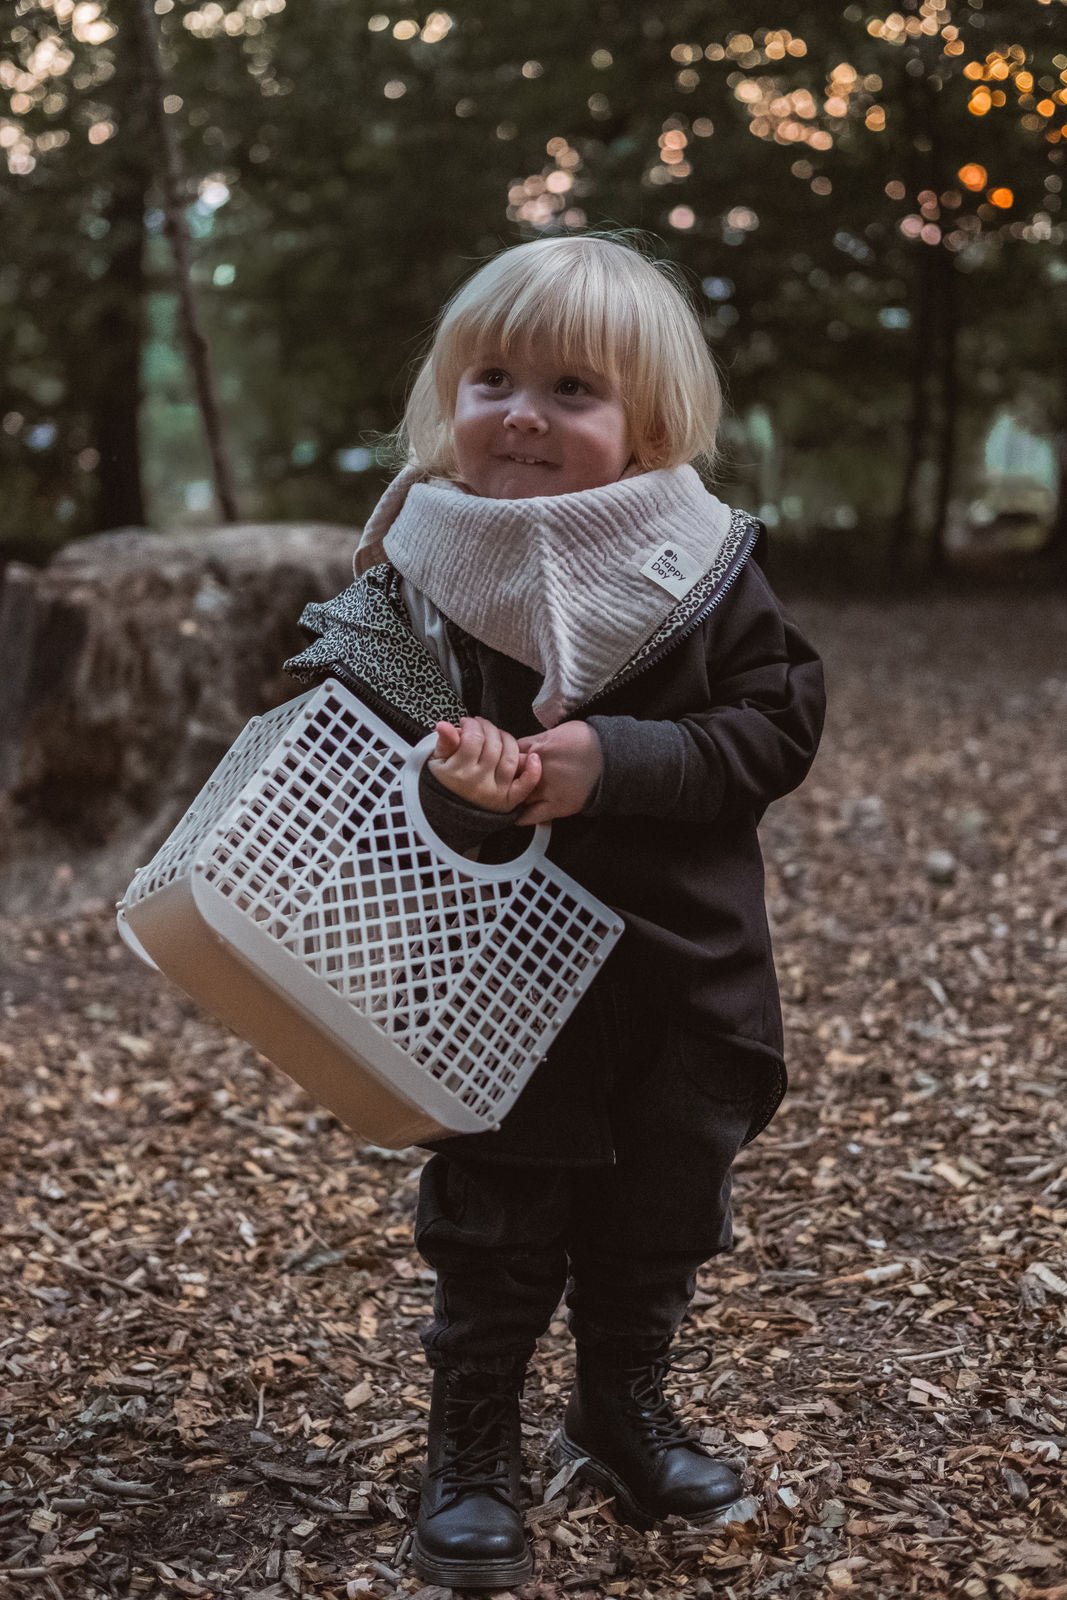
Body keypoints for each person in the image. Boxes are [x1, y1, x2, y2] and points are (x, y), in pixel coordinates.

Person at [285, 234, 825, 1589]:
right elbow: (343, 763)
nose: (521, 411)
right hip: (492, 976)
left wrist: (612, 763)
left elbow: (776, 721)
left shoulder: (697, 562)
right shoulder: (414, 572)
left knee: (662, 1211)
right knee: (497, 1220)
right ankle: (471, 1446)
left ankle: (619, 1408)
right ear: (448, 396)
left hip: (682, 970)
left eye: (572, 388)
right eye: (493, 378)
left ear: (648, 425)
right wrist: (462, 786)